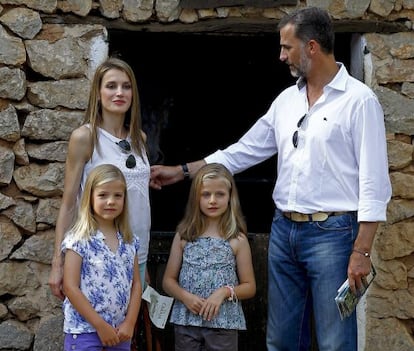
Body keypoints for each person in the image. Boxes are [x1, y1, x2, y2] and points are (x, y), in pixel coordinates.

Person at [150, 7, 392, 351]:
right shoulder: (286, 100)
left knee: (334, 342)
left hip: (334, 236)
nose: (281, 56)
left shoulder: (359, 101)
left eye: (286, 47)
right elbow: (243, 151)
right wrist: (184, 171)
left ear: (311, 47)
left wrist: (362, 252)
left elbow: (374, 183)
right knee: (280, 340)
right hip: (284, 232)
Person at [49, 57, 151, 300]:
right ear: (97, 92)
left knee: (129, 334)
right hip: (97, 252)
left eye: (126, 86)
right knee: (98, 332)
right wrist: (58, 262)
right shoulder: (85, 137)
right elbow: (69, 203)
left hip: (138, 251)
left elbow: (138, 197)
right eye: (111, 86)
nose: (119, 92)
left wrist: (142, 266)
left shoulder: (140, 139)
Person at [162, 163, 256, 351]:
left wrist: (223, 292)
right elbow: (168, 281)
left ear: (230, 197)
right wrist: (185, 297)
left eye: (220, 194)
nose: (212, 200)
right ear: (196, 198)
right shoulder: (184, 235)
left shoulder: (236, 239)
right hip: (186, 320)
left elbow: (249, 287)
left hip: (223, 323)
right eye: (205, 194)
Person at [62, 164, 141, 350]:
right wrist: (100, 325)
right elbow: (70, 286)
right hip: (85, 331)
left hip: (120, 332)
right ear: (89, 197)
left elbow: (137, 284)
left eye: (117, 196)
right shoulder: (78, 239)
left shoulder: (130, 241)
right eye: (103, 195)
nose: (111, 201)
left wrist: (130, 323)